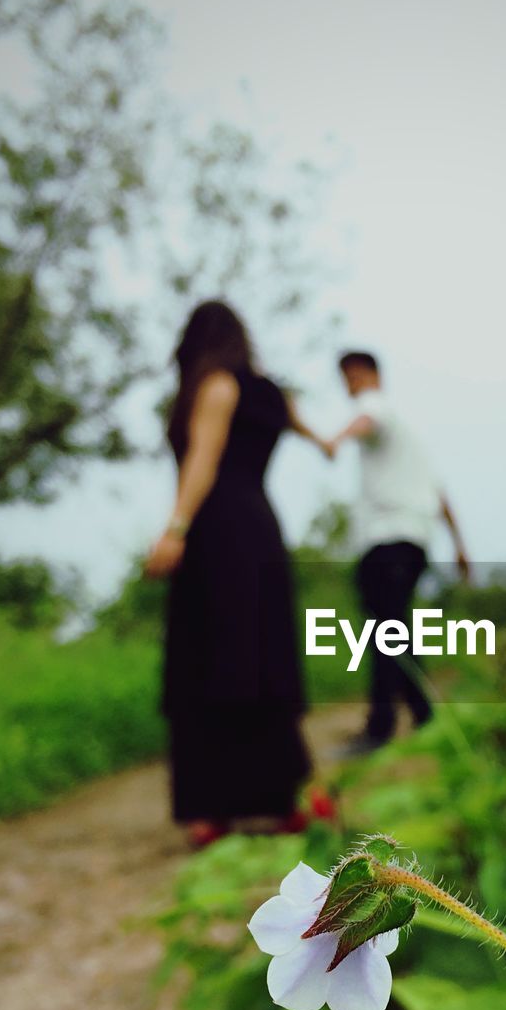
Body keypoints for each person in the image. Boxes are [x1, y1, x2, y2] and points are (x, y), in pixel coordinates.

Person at [145, 300, 330, 847]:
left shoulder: (217, 386)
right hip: (261, 531)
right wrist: (325, 443)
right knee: (260, 658)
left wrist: (175, 529)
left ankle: (212, 808)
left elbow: (203, 458)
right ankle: (282, 801)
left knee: (211, 658)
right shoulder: (271, 392)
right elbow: (305, 429)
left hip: (217, 531)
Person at [328, 350, 470, 754]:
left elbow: (366, 418)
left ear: (368, 375)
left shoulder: (374, 406)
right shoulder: (412, 440)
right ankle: (426, 718)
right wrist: (459, 545)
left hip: (388, 537)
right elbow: (440, 495)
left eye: (351, 377)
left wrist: (334, 440)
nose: (349, 387)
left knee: (383, 633)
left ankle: (380, 729)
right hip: (415, 539)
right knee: (397, 632)